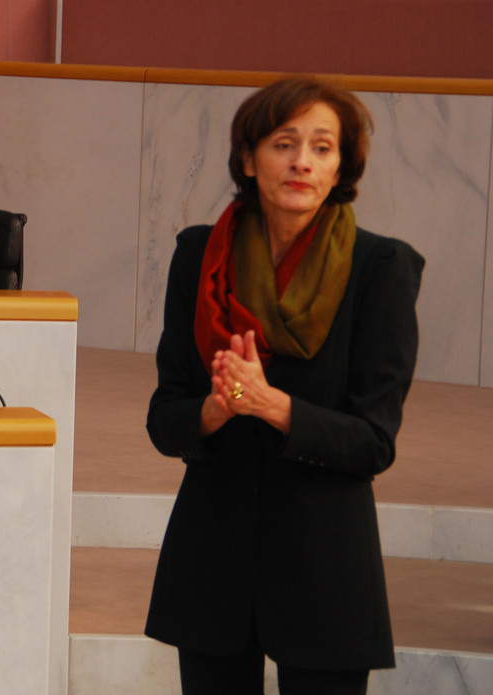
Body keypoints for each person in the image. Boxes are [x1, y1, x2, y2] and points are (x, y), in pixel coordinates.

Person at [144, 77, 425, 694]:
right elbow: (165, 418)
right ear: (249, 159)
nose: (303, 161)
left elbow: (373, 442)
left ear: (340, 168)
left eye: (322, 147)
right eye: (284, 143)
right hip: (213, 561)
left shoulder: (380, 269)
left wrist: (272, 405)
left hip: (325, 569)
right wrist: (217, 409)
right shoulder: (200, 256)